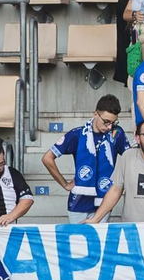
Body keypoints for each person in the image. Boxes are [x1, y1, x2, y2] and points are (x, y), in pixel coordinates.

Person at [43, 95, 129, 224]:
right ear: (95, 114)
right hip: (78, 202)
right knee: (78, 242)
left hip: (104, 198)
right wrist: (65, 184)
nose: (110, 127)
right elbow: (47, 158)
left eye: (113, 122)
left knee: (99, 242)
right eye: (106, 121)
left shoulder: (117, 133)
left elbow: (131, 158)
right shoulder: (77, 134)